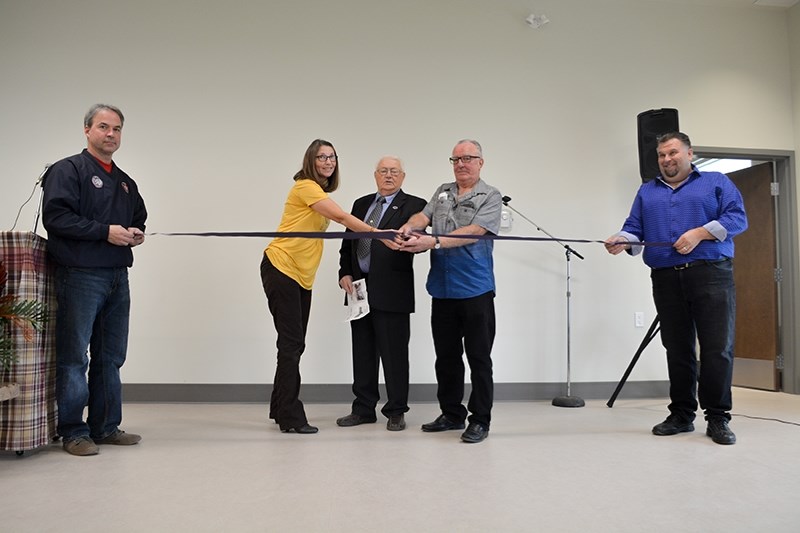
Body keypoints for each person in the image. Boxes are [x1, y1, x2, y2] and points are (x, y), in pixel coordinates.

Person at [605, 131, 748, 445]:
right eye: (661, 155)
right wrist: (622, 240)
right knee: (678, 348)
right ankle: (682, 414)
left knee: (716, 348)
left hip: (711, 274)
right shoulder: (647, 192)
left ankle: (718, 418)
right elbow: (634, 229)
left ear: (689, 153)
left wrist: (700, 233)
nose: (667, 160)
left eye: (673, 153)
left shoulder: (716, 182)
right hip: (666, 278)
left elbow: (737, 219)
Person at [260, 139, 400, 434]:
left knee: (291, 344)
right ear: (311, 160)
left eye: (332, 157)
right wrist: (379, 233)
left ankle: (278, 406)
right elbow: (340, 217)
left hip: (300, 275)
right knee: (292, 344)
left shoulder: (317, 190)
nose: (328, 161)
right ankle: (290, 417)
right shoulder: (306, 186)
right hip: (281, 267)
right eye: (322, 156)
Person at [42, 104, 147, 456]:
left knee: (111, 356)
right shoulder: (67, 170)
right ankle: (74, 431)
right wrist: (105, 232)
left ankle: (105, 427)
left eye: (116, 129)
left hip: (117, 276)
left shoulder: (125, 183)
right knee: (75, 357)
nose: (111, 134)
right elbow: (56, 218)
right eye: (103, 127)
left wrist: (135, 233)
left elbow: (139, 218)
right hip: (80, 275)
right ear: (87, 130)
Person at [399, 139, 502, 444]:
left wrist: (433, 241)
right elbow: (424, 216)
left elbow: (475, 232)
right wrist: (411, 226)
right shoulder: (443, 190)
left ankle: (480, 419)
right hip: (442, 289)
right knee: (446, 357)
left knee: (479, 358)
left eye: (468, 158)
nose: (461, 164)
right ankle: (452, 414)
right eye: (456, 159)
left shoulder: (491, 196)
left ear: (480, 162)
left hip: (475, 289)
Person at [336, 156, 427, 431]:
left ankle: (396, 410)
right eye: (383, 171)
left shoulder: (415, 205)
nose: (388, 176)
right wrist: (345, 272)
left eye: (394, 172)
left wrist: (416, 242)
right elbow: (347, 242)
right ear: (375, 175)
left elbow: (419, 241)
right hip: (359, 289)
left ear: (403, 176)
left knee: (394, 353)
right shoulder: (361, 204)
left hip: (393, 290)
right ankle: (363, 408)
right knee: (362, 352)